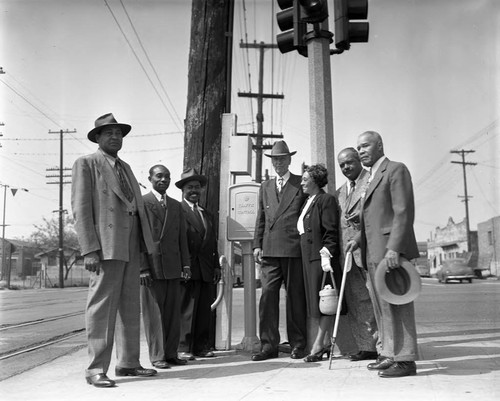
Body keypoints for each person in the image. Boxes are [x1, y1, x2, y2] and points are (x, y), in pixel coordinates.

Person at [71, 113, 157, 388]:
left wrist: (144, 245)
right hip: (105, 245)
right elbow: (81, 209)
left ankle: (128, 362)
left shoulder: (127, 167)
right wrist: (89, 250)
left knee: (130, 307)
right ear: (97, 138)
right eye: (109, 133)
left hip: (131, 243)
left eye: (119, 133)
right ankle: (95, 368)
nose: (115, 137)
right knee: (101, 308)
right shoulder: (86, 164)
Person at [346, 131, 420, 378]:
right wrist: (357, 240)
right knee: (382, 308)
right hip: (372, 253)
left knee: (398, 305)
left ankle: (406, 360)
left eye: (365, 145)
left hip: (389, 253)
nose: (361, 150)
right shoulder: (371, 178)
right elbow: (373, 218)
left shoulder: (396, 169)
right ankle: (390, 353)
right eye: (359, 147)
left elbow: (403, 212)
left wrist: (394, 248)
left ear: (379, 145)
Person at [252, 140, 308, 361]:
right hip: (270, 251)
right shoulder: (265, 186)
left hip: (294, 249)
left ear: (290, 160)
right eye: (275, 159)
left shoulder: (299, 183)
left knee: (295, 299)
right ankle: (268, 345)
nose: (278, 163)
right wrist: (257, 244)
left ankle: (298, 343)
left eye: (282, 159)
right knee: (267, 297)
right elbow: (261, 218)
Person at [139, 164, 191, 368]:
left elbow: (182, 239)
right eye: (159, 176)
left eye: (167, 177)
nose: (163, 180)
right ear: (150, 178)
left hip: (173, 266)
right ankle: (157, 355)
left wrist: (185, 265)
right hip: (151, 267)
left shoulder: (176, 206)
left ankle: (171, 353)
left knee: (172, 313)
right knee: (154, 315)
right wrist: (142, 268)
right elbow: (137, 238)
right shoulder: (142, 203)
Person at [336, 148, 379, 361]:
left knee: (375, 300)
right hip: (349, 256)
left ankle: (384, 348)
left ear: (359, 161)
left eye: (350, 162)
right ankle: (367, 346)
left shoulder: (371, 182)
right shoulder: (340, 192)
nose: (346, 168)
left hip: (369, 250)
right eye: (342, 165)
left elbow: (375, 218)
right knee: (357, 301)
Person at [298, 164, 342, 362]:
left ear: (316, 180)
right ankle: (320, 344)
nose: (302, 182)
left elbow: (330, 230)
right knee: (316, 304)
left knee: (325, 301)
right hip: (307, 259)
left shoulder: (326, 199)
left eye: (305, 179)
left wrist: (327, 254)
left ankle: (318, 345)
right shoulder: (308, 200)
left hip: (320, 259)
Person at [176, 168, 221, 359]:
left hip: (206, 269)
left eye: (197, 187)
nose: (194, 191)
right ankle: (183, 348)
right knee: (186, 310)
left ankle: (202, 346)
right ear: (183, 190)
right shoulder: (177, 211)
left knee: (204, 309)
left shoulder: (206, 214)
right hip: (187, 268)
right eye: (190, 187)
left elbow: (212, 242)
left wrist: (216, 266)